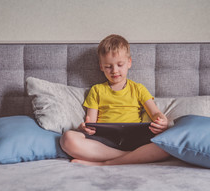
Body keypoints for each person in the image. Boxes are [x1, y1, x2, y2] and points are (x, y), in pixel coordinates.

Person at [60, 34, 171, 166]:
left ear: (129, 62)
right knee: (67, 139)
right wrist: (85, 128)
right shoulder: (97, 90)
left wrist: (162, 120)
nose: (114, 71)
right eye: (108, 66)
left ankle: (104, 163)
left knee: (169, 143)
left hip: (135, 139)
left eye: (120, 64)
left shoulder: (138, 89)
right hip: (104, 141)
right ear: (101, 66)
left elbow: (155, 113)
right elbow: (91, 121)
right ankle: (133, 157)